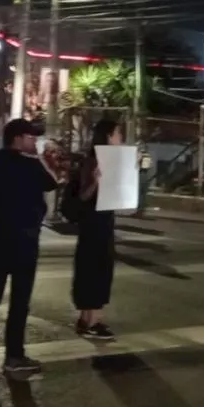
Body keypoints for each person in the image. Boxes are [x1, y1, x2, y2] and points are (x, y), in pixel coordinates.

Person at [0, 119, 59, 374]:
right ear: (18, 138)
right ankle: (14, 356)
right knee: (19, 300)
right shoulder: (31, 166)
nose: (34, 142)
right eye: (31, 138)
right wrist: (41, 159)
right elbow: (53, 182)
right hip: (24, 239)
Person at [72, 119, 122, 340]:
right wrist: (95, 181)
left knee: (97, 269)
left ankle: (86, 319)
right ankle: (94, 321)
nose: (120, 138)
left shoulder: (112, 160)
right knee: (96, 269)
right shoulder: (93, 161)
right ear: (108, 136)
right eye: (118, 133)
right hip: (93, 224)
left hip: (103, 221)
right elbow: (83, 196)